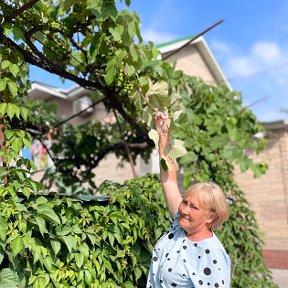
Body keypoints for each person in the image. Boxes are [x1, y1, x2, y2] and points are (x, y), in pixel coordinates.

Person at [146, 112, 231, 288]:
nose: (184, 209)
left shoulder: (212, 255)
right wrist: (163, 136)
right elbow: (169, 179)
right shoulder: (179, 225)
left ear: (211, 217)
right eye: (185, 202)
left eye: (194, 207)